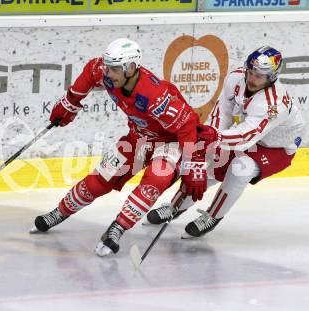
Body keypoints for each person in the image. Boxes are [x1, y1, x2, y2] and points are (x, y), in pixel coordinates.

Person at [30, 38, 208, 256]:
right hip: (138, 137)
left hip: (169, 143)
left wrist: (194, 164)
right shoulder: (105, 72)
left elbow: (188, 124)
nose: (108, 73)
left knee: (156, 179)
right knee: (99, 181)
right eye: (108, 67)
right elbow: (90, 71)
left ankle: (117, 229)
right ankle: (59, 212)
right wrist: (71, 102)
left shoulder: (155, 96)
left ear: (131, 68)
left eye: (114, 69)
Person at [145, 46, 304, 238]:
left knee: (240, 168)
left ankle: (213, 216)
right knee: (210, 164)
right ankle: (174, 206)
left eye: (259, 76)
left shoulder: (273, 104)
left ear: (272, 77)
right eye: (251, 72)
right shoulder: (236, 77)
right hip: (248, 134)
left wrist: (217, 137)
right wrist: (212, 136)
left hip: (276, 146)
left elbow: (246, 136)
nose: (252, 78)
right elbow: (223, 112)